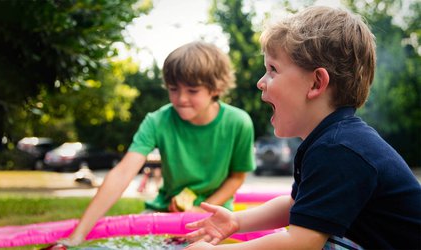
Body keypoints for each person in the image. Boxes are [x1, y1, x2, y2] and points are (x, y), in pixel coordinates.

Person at [184, 6, 421, 249]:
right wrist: (236, 221)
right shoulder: (331, 141)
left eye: (273, 70)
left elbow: (301, 243)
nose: (260, 82)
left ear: (316, 83)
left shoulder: (339, 149)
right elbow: (295, 205)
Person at [58, 41, 256, 246]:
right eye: (173, 89)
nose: (181, 98)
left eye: (193, 90)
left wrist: (200, 209)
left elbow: (236, 177)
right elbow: (123, 172)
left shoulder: (238, 122)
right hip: (164, 210)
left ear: (216, 88)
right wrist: (78, 236)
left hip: (215, 213)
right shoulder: (157, 121)